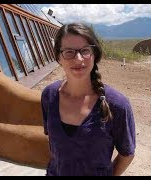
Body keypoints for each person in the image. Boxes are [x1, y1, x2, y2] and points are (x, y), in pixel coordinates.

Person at [41, 23, 136, 176]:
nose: (78, 59)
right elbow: (54, 146)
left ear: (94, 54)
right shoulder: (49, 95)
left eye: (85, 50)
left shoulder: (117, 105)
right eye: (69, 52)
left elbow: (127, 154)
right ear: (58, 57)